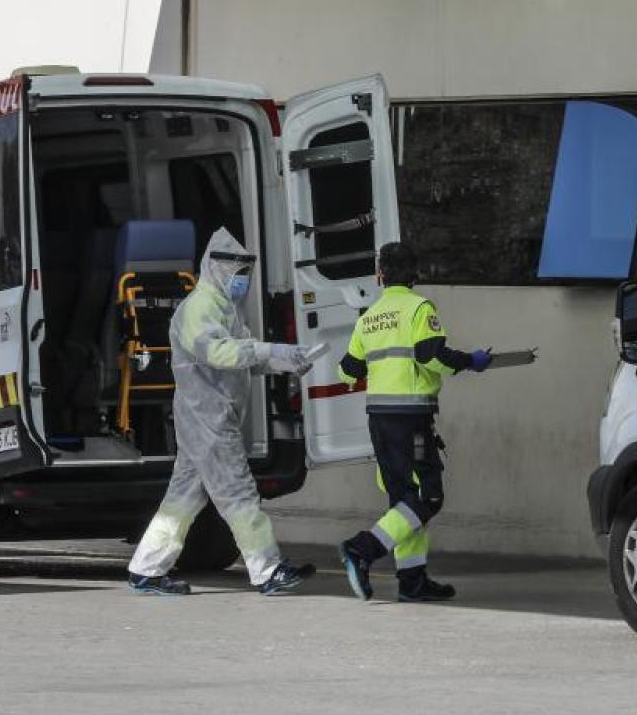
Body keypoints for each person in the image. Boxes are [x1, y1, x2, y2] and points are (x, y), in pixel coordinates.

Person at [127, 228, 316, 596]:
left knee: (182, 498)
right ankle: (267, 569)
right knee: (239, 492)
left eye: (245, 273)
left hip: (209, 417)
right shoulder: (199, 308)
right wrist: (268, 350)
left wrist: (285, 360)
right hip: (208, 418)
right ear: (216, 269)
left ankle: (146, 569)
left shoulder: (224, 307)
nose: (242, 280)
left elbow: (243, 358)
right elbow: (220, 354)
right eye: (238, 273)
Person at [335, 242, 497, 602]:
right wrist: (470, 360)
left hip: (379, 419)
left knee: (403, 500)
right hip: (410, 418)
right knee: (428, 495)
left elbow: (348, 370)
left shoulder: (369, 316)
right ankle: (362, 549)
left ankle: (412, 581)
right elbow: (430, 356)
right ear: (414, 273)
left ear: (380, 275)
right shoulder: (419, 308)